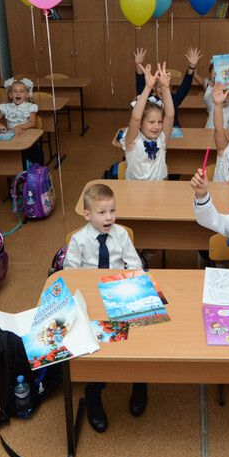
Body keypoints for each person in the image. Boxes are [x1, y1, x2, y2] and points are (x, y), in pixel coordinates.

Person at [64, 183, 145, 433]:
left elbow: (135, 266)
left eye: (112, 211)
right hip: (91, 297)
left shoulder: (121, 235)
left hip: (119, 294)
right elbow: (69, 274)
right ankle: (94, 389)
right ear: (87, 214)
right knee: (97, 342)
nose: (109, 217)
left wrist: (123, 282)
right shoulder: (79, 240)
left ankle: (140, 381)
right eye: (101, 212)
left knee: (137, 335)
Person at [122, 64, 174, 181]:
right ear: (140, 123)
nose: (156, 126)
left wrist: (165, 88)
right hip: (135, 189)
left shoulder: (161, 138)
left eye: (159, 122)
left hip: (160, 188)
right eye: (151, 122)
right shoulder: (132, 140)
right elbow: (135, 118)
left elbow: (170, 116)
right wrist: (148, 87)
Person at [134, 47, 200, 128]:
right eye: (159, 86)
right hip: (154, 131)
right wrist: (138, 64)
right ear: (154, 88)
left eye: (165, 86)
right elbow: (140, 88)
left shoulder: (174, 99)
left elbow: (185, 86)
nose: (162, 89)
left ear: (170, 88)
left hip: (173, 131)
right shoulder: (150, 99)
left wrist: (192, 66)